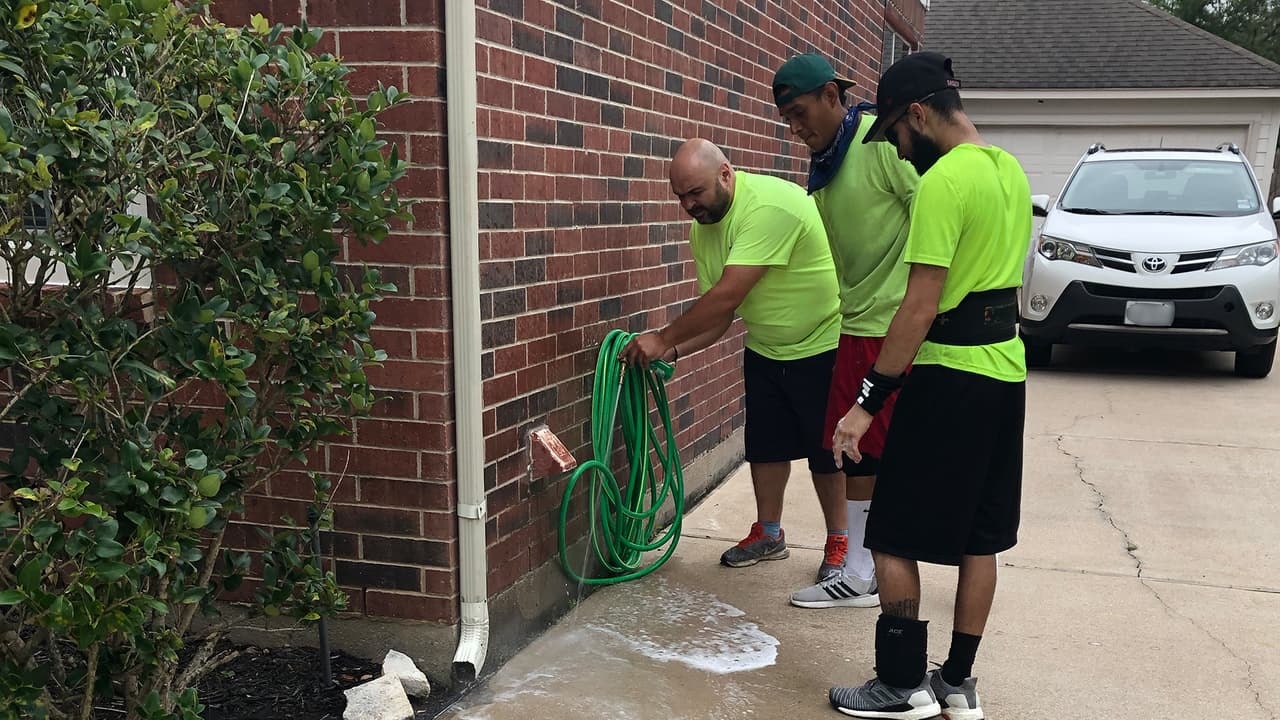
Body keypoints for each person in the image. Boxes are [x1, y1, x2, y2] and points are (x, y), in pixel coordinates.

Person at [826, 52, 1031, 719]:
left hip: (950, 377)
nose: (895, 150)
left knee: (891, 532)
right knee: (981, 537)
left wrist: (867, 402)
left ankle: (900, 684)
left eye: (892, 134)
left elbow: (920, 303)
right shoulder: (1008, 171)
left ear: (918, 114)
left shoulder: (945, 181)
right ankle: (957, 683)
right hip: (1006, 370)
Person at [621, 138, 850, 583]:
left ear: (726, 174)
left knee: (828, 454)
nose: (688, 206)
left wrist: (662, 337)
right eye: (680, 197)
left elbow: (729, 292)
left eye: (696, 193)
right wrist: (669, 351)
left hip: (822, 344)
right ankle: (769, 533)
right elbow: (720, 314)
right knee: (765, 447)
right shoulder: (703, 229)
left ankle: (840, 539)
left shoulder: (768, 207)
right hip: (766, 346)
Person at [771, 53, 919, 611]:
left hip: (890, 324)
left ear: (833, 96)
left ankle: (864, 570)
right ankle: (862, 566)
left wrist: (918, 300)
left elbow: (928, 207)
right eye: (787, 119)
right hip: (853, 322)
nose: (796, 127)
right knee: (850, 449)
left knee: (871, 451)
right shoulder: (827, 159)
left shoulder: (878, 145)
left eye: (802, 112)